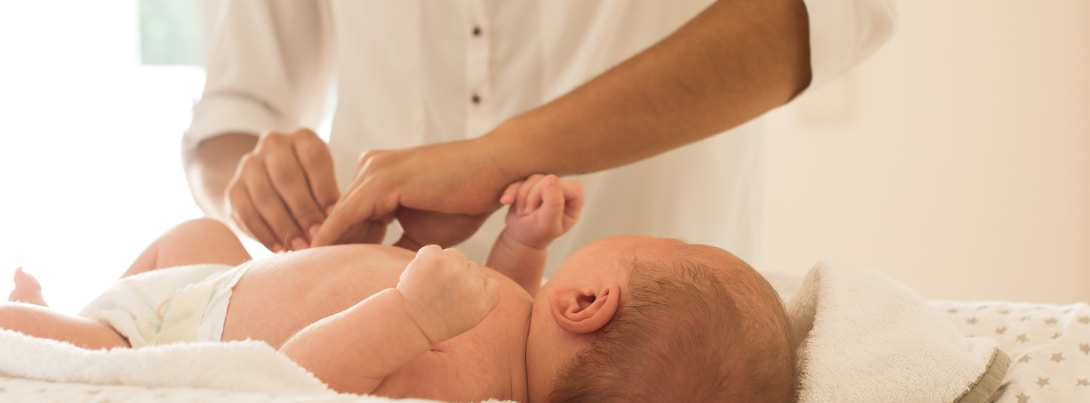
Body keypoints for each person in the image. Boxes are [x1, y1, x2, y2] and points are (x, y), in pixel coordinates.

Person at [3, 177, 796, 403]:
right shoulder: (514, 331)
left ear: (587, 301)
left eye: (660, 249)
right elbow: (504, 297)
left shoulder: (464, 389)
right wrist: (522, 243)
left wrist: (410, 315)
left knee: (68, 348)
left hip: (167, 348)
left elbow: (300, 384)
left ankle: (60, 319)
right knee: (199, 232)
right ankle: (75, 304)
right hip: (214, 282)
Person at [184, 0, 897, 268]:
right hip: (381, 380)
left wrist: (502, 158)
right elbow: (230, 119)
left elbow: (828, 13)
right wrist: (263, 185)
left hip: (657, 355)